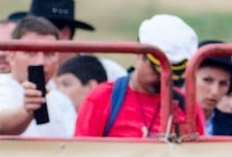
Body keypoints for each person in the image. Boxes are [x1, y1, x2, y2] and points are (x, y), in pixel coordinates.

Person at [75, 13, 203, 138]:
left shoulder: (188, 107)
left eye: (172, 72)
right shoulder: (103, 98)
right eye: (157, 69)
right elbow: (84, 154)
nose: (164, 79)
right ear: (139, 53)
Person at [0, 15, 75, 137]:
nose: (40, 61)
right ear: (11, 55)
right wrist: (25, 111)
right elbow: (0, 127)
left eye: (49, 53)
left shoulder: (60, 100)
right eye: (30, 52)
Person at [9, 0, 127, 82]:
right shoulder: (19, 71)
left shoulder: (110, 71)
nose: (40, 59)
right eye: (30, 52)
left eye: (42, 30)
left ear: (65, 34)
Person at [196, 40, 232, 136]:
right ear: (188, 78)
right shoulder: (167, 120)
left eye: (223, 83)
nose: (215, 91)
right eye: (207, 80)